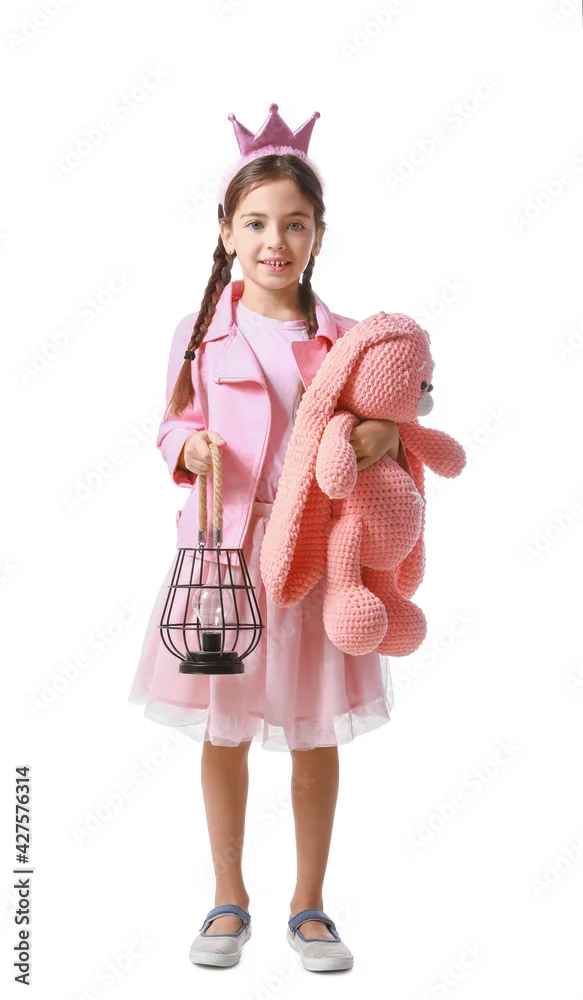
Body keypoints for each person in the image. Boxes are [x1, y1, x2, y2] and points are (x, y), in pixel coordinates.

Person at [127, 104, 410, 973]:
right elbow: (172, 425)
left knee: (312, 731)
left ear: (318, 233)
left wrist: (385, 436)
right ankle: (228, 897)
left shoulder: (345, 339)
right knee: (226, 728)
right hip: (225, 559)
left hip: (316, 557)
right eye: (254, 223)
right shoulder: (200, 333)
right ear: (225, 232)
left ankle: (309, 905)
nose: (273, 241)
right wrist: (189, 448)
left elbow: (390, 417)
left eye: (293, 223)